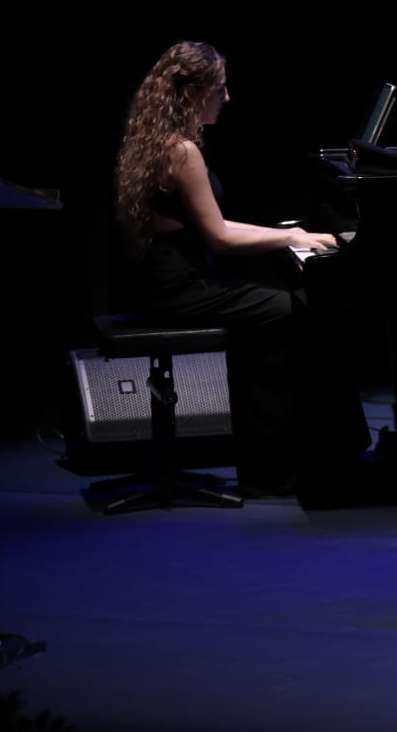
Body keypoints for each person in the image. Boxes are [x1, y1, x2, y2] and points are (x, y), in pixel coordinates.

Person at [114, 40, 372, 499]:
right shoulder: (183, 151)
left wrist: (298, 234)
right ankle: (306, 461)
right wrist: (293, 238)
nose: (227, 97)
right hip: (180, 293)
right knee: (296, 311)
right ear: (193, 93)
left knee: (278, 320)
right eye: (220, 89)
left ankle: (281, 465)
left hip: (167, 286)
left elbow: (214, 224)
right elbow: (220, 238)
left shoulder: (160, 142)